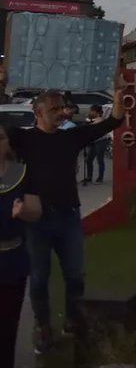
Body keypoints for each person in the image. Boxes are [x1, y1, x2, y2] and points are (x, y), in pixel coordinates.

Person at [10, 86, 124, 354]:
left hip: (69, 216)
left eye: (63, 108)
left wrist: (118, 101)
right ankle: (43, 327)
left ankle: (73, 320)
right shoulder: (22, 139)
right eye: (54, 109)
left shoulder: (70, 137)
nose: (62, 113)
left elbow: (114, 121)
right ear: (37, 112)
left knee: (75, 275)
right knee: (39, 278)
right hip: (36, 220)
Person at [0, 124, 42, 367]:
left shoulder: (23, 174)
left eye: (1, 138)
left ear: (7, 144)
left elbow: (36, 211)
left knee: (6, 328)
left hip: (11, 262)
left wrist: (24, 211)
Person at [81, 104, 110, 186]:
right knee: (89, 159)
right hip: (94, 141)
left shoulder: (100, 120)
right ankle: (89, 177)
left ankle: (100, 178)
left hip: (101, 141)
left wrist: (88, 123)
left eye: (92, 111)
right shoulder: (93, 119)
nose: (90, 112)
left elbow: (93, 128)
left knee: (100, 159)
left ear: (96, 112)